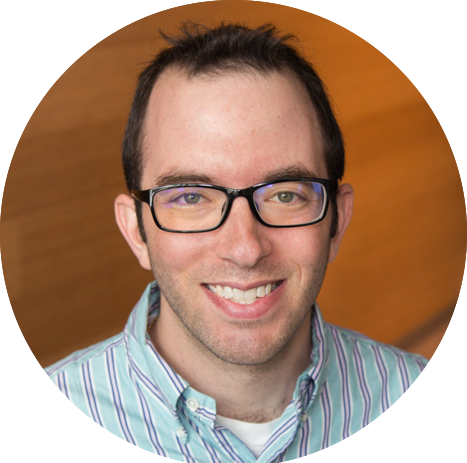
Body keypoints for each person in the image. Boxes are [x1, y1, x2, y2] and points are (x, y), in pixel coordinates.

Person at [43, 22, 443, 463]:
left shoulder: (435, 408)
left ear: (337, 221)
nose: (245, 248)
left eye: (285, 195)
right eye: (191, 196)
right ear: (136, 230)